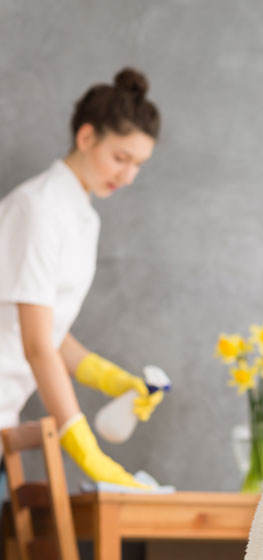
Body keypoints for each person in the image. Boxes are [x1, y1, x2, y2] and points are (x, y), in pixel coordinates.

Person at [0, 67, 163, 488]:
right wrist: (85, 448)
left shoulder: (83, 218)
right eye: (120, 158)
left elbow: (49, 331)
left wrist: (111, 379)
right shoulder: (36, 208)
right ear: (86, 137)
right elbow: (37, 345)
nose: (127, 175)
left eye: (138, 164)